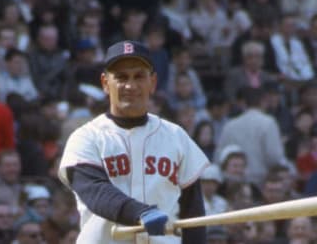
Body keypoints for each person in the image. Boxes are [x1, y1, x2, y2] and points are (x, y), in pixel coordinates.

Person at [59, 40, 209, 243]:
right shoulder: (86, 137)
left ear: (153, 83)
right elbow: (95, 192)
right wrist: (140, 213)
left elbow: (193, 215)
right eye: (121, 77)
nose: (130, 85)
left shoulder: (176, 137)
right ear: (105, 83)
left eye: (139, 76)